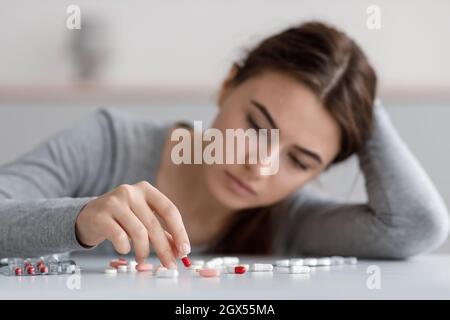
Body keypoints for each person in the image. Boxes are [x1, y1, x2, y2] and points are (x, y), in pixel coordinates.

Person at [0, 21, 448, 268]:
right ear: (227, 85)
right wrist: (79, 218)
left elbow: (418, 227)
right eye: (256, 126)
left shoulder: (293, 219)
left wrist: (362, 97)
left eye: (300, 159)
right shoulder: (109, 142)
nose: (260, 167)